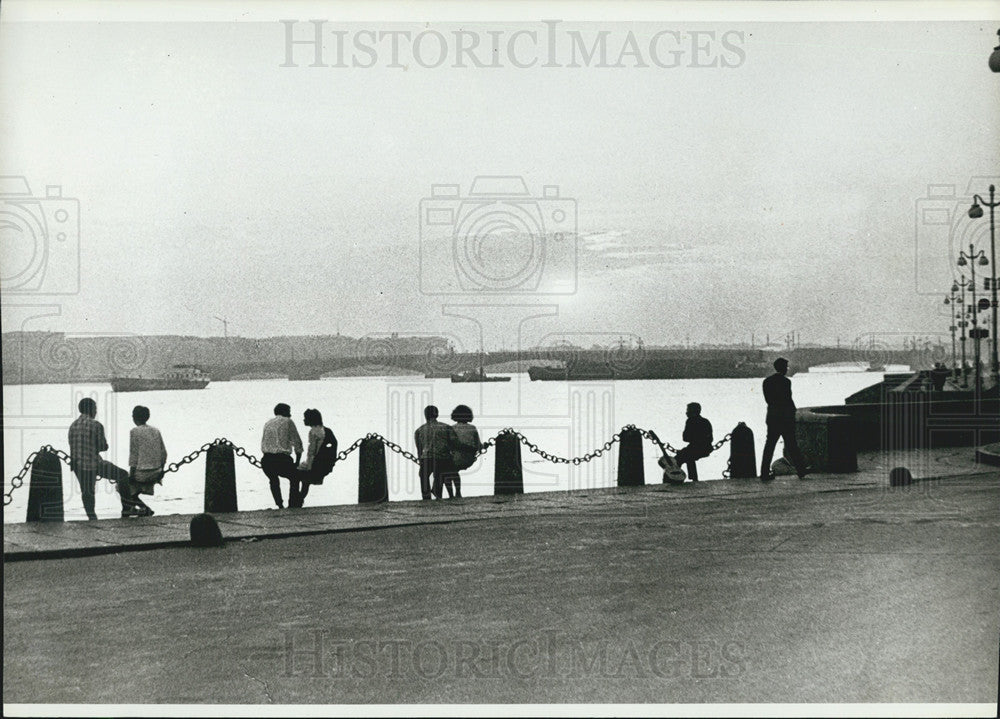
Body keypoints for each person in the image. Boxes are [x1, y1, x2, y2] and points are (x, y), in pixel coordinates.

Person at [67, 397, 130, 520]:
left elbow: (72, 446)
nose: (96, 411)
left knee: (87, 491)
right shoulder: (96, 425)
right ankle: (127, 509)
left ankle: (91, 517)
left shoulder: (72, 426)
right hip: (94, 463)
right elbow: (102, 446)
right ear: (90, 409)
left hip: (78, 465)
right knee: (122, 475)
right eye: (95, 409)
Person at [759, 357, 808, 482]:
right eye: (786, 367)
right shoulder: (786, 382)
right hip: (785, 418)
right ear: (782, 368)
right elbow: (788, 399)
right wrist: (793, 412)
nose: (787, 369)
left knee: (769, 445)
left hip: (772, 417)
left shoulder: (766, 381)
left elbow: (768, 400)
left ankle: (764, 472)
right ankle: (801, 470)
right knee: (792, 445)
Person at [124, 405, 167, 517]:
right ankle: (140, 508)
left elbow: (134, 455)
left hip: (142, 473)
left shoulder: (134, 431)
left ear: (134, 417)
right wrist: (161, 470)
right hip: (156, 471)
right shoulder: (156, 431)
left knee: (122, 486)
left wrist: (132, 474)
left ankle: (141, 508)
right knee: (133, 490)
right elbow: (164, 453)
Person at [260, 403, 303, 509]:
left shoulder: (267, 423)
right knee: (295, 477)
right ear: (284, 412)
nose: (290, 414)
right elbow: (297, 443)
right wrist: (297, 462)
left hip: (266, 460)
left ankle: (279, 505)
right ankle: (292, 505)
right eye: (289, 411)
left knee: (273, 480)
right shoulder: (288, 421)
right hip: (282, 459)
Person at [414, 405, 460, 500]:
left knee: (423, 476)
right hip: (443, 459)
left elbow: (419, 449)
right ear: (437, 414)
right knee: (440, 475)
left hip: (427, 458)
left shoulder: (419, 430)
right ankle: (438, 495)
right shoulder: (446, 427)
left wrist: (421, 460)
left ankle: (426, 498)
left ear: (425, 415)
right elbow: (455, 444)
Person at [293, 408, 337, 508]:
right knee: (305, 483)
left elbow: (312, 451)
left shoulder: (313, 432)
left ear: (311, 420)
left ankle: (297, 501)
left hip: (315, 463)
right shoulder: (325, 430)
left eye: (305, 418)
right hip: (324, 463)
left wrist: (309, 466)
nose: (303, 420)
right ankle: (299, 499)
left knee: (296, 476)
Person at [448, 404, 484, 498]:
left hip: (456, 457)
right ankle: (458, 492)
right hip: (469, 458)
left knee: (447, 470)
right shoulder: (472, 428)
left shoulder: (451, 428)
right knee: (453, 470)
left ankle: (452, 494)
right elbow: (479, 445)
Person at [672, 402, 713, 482]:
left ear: (692, 411)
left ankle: (676, 479)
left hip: (695, 448)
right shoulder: (705, 421)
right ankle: (693, 478)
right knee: (688, 456)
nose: (686, 412)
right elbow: (710, 438)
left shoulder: (690, 421)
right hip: (706, 448)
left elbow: (685, 438)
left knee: (678, 459)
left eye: (687, 410)